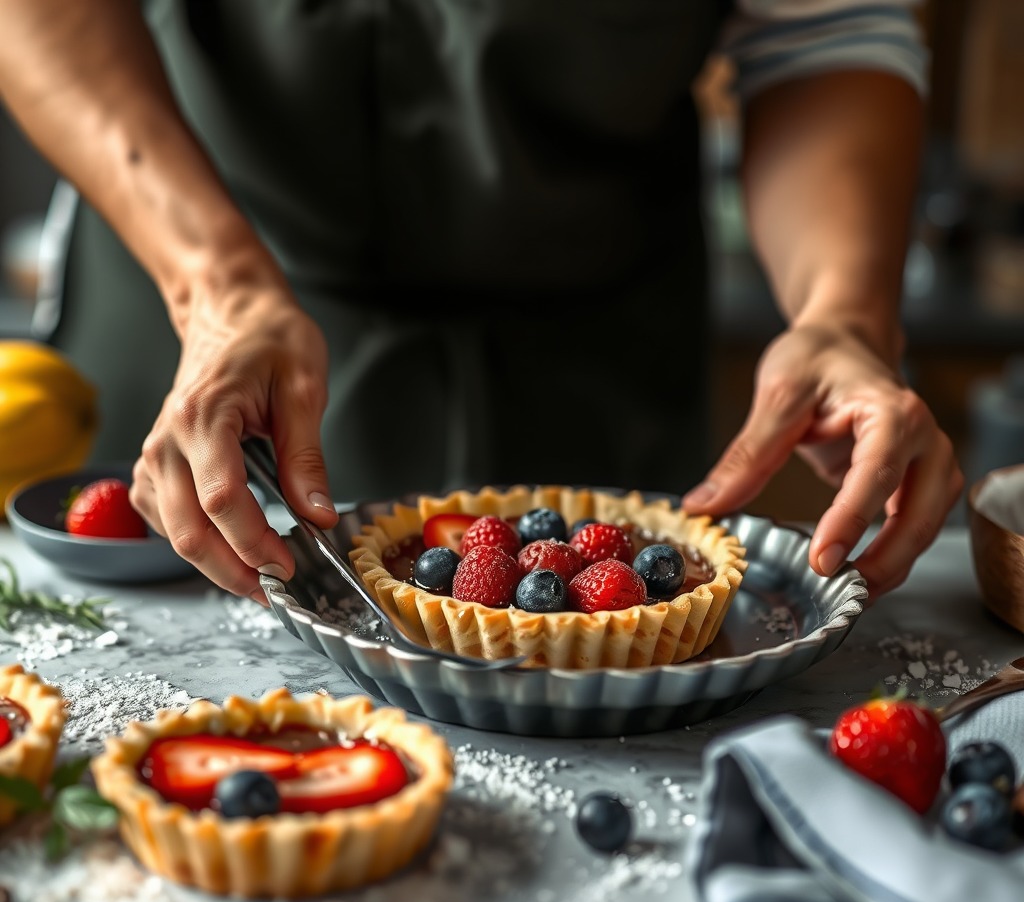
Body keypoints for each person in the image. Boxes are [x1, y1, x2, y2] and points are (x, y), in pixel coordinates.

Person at [0, 0, 962, 606]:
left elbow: (821, 33)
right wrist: (215, 287)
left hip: (586, 337)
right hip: (196, 284)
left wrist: (843, 314)